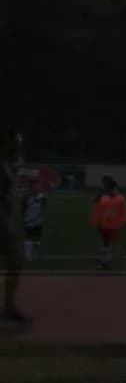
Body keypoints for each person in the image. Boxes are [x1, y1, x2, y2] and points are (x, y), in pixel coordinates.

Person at [0, 132, 31, 324]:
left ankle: (8, 307)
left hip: (4, 220)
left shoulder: (7, 167)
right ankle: (8, 307)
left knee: (15, 261)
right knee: (15, 260)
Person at [90, 177, 126, 269]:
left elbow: (121, 209)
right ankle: (104, 261)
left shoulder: (118, 197)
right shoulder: (103, 196)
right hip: (104, 222)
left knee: (108, 242)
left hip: (113, 222)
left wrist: (120, 221)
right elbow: (97, 206)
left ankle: (106, 261)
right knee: (105, 241)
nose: (113, 190)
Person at [21, 178, 47, 263]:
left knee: (37, 239)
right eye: (35, 186)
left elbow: (43, 208)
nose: (37, 187)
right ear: (31, 187)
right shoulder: (26, 197)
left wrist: (43, 218)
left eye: (38, 185)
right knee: (28, 237)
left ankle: (35, 254)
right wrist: (23, 219)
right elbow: (23, 209)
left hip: (38, 221)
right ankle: (28, 256)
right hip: (28, 221)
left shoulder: (42, 197)